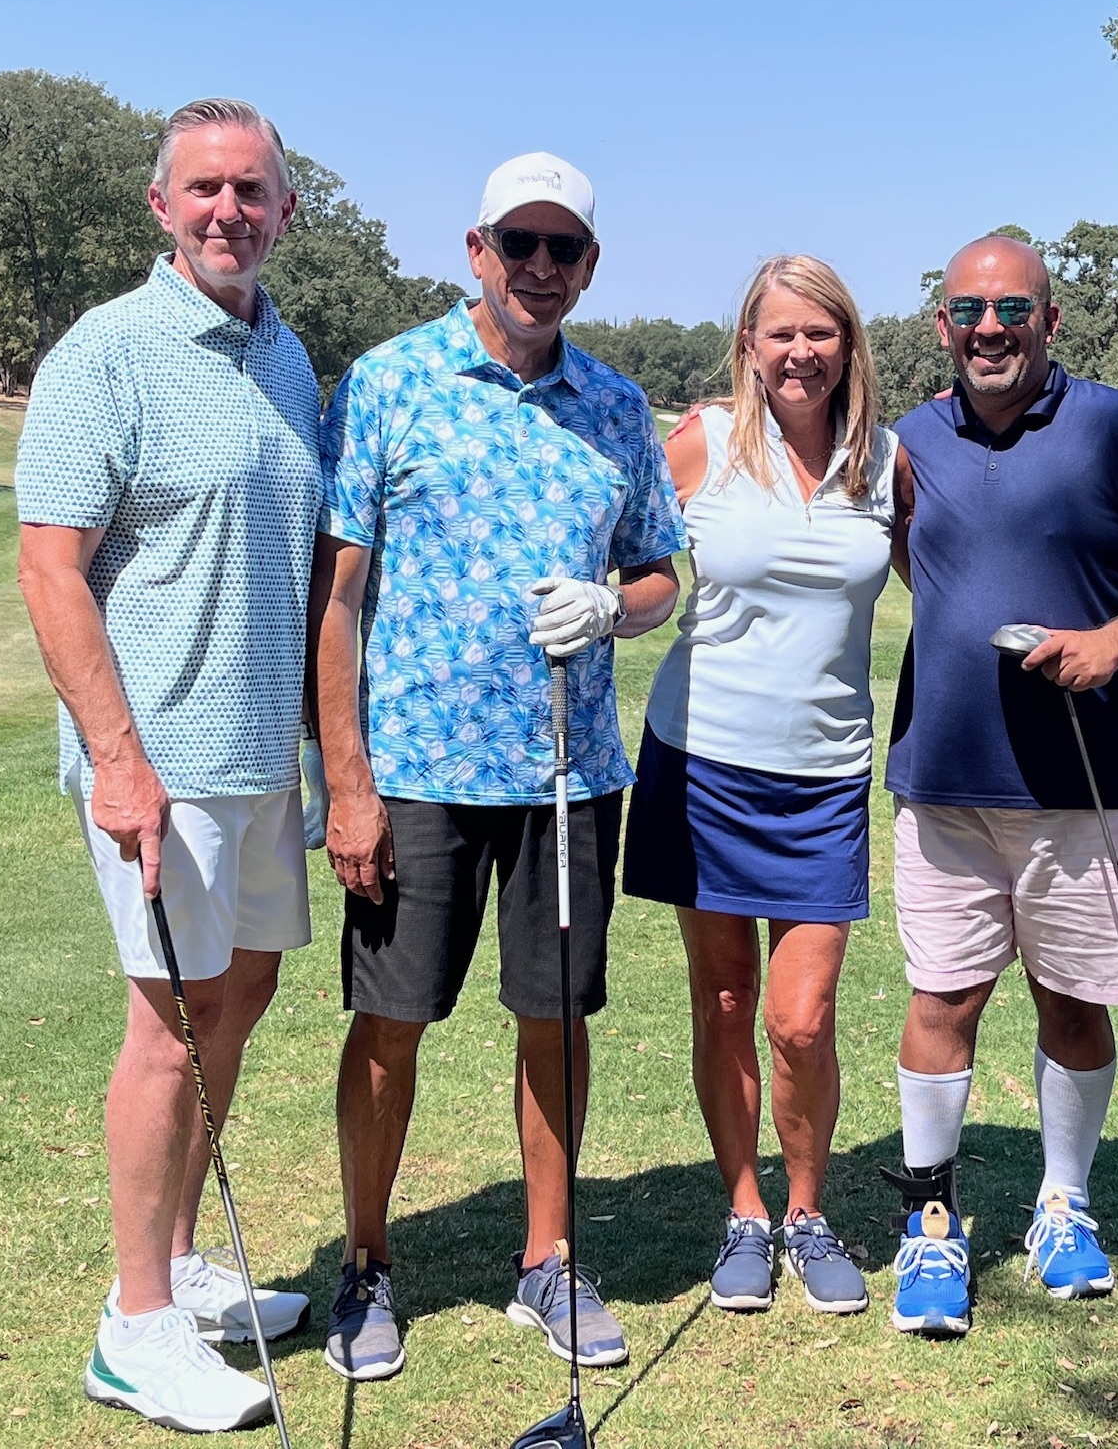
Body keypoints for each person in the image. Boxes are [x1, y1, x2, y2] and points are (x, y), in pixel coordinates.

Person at [311, 153, 684, 1382]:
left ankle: (548, 1260)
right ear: (475, 251)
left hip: (567, 774)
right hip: (416, 768)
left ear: (589, 265)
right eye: (516, 242)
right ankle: (367, 1264)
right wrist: (347, 783)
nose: (538, 266)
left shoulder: (616, 406)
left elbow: (659, 576)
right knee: (389, 1023)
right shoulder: (391, 379)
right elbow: (338, 597)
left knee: (555, 1023)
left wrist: (615, 606)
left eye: (561, 248)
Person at [15, 98, 323, 1433]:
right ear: (161, 205)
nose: (227, 211)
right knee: (168, 1028)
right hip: (161, 763)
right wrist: (117, 759)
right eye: (204, 189)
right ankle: (133, 1329)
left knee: (237, 996)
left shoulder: (286, 355)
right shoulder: (107, 353)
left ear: (285, 211)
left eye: (251, 190)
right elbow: (50, 569)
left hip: (259, 759)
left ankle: (182, 1264)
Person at [881, 234, 1118, 1337]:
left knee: (1073, 999)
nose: (991, 329)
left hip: (1092, 780)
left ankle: (1062, 1207)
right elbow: (911, 556)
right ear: (942, 324)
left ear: (1050, 320)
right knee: (942, 999)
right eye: (970, 310)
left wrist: (1110, 644)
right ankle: (930, 1223)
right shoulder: (911, 441)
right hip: (945, 778)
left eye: (1013, 309)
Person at [624, 255, 898, 1316]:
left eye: (819, 333)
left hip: (823, 777)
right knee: (727, 997)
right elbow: (638, 563)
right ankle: (745, 1210)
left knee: (801, 1018)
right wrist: (606, 607)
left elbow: (948, 572)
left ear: (847, 346)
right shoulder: (702, 442)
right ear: (749, 345)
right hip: (701, 761)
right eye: (780, 333)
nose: (799, 352)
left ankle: (808, 1211)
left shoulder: (886, 459)